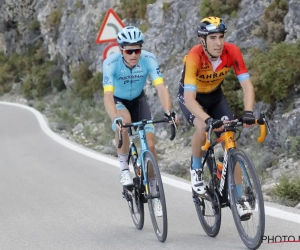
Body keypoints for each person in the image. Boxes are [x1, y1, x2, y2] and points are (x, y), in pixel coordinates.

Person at [178, 17, 255, 220]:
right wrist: (208, 119)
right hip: (192, 98)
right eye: (213, 37)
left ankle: (238, 199)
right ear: (203, 40)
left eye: (221, 36)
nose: (219, 42)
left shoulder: (232, 51)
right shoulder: (194, 56)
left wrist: (248, 112)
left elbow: (246, 85)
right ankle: (196, 170)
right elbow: (189, 99)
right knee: (203, 128)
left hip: (216, 97)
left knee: (231, 140)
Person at [102, 26, 177, 216]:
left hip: (139, 100)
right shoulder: (110, 63)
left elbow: (161, 88)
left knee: (150, 146)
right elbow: (108, 96)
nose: (134, 54)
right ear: (121, 50)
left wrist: (169, 111)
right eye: (129, 51)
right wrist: (115, 119)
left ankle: (154, 190)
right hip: (119, 102)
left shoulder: (149, 59)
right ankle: (124, 168)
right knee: (124, 124)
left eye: (137, 50)